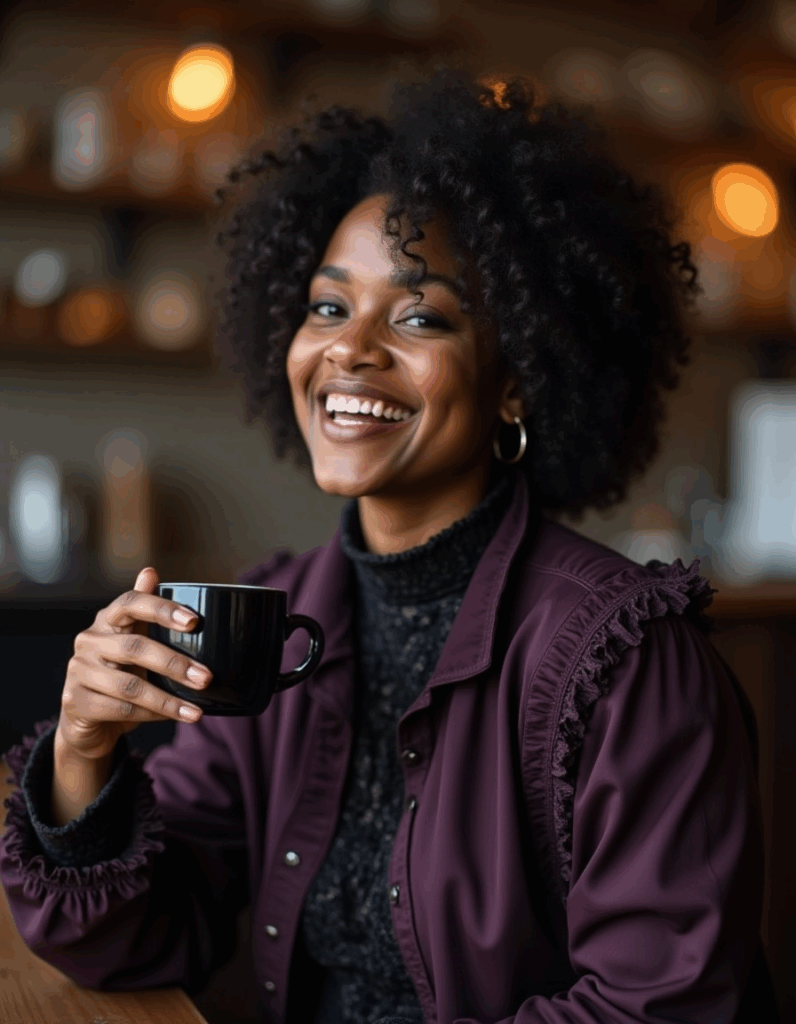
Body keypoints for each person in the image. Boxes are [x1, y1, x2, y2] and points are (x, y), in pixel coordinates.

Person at [0, 67, 779, 1024]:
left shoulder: (623, 659)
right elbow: (146, 933)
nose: (349, 349)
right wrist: (85, 750)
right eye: (328, 306)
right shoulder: (280, 617)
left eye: (418, 316)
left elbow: (666, 1005)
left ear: (518, 378)